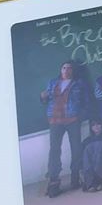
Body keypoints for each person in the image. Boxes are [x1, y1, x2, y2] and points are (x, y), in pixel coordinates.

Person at [39, 62, 88, 197]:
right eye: (64, 68)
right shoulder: (53, 82)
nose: (66, 70)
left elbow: (86, 100)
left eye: (69, 68)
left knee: (76, 148)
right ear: (61, 70)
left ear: (73, 70)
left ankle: (75, 177)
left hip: (73, 118)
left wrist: (81, 114)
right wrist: (42, 97)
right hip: (55, 119)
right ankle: (54, 181)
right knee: (54, 150)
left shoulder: (79, 83)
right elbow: (46, 99)